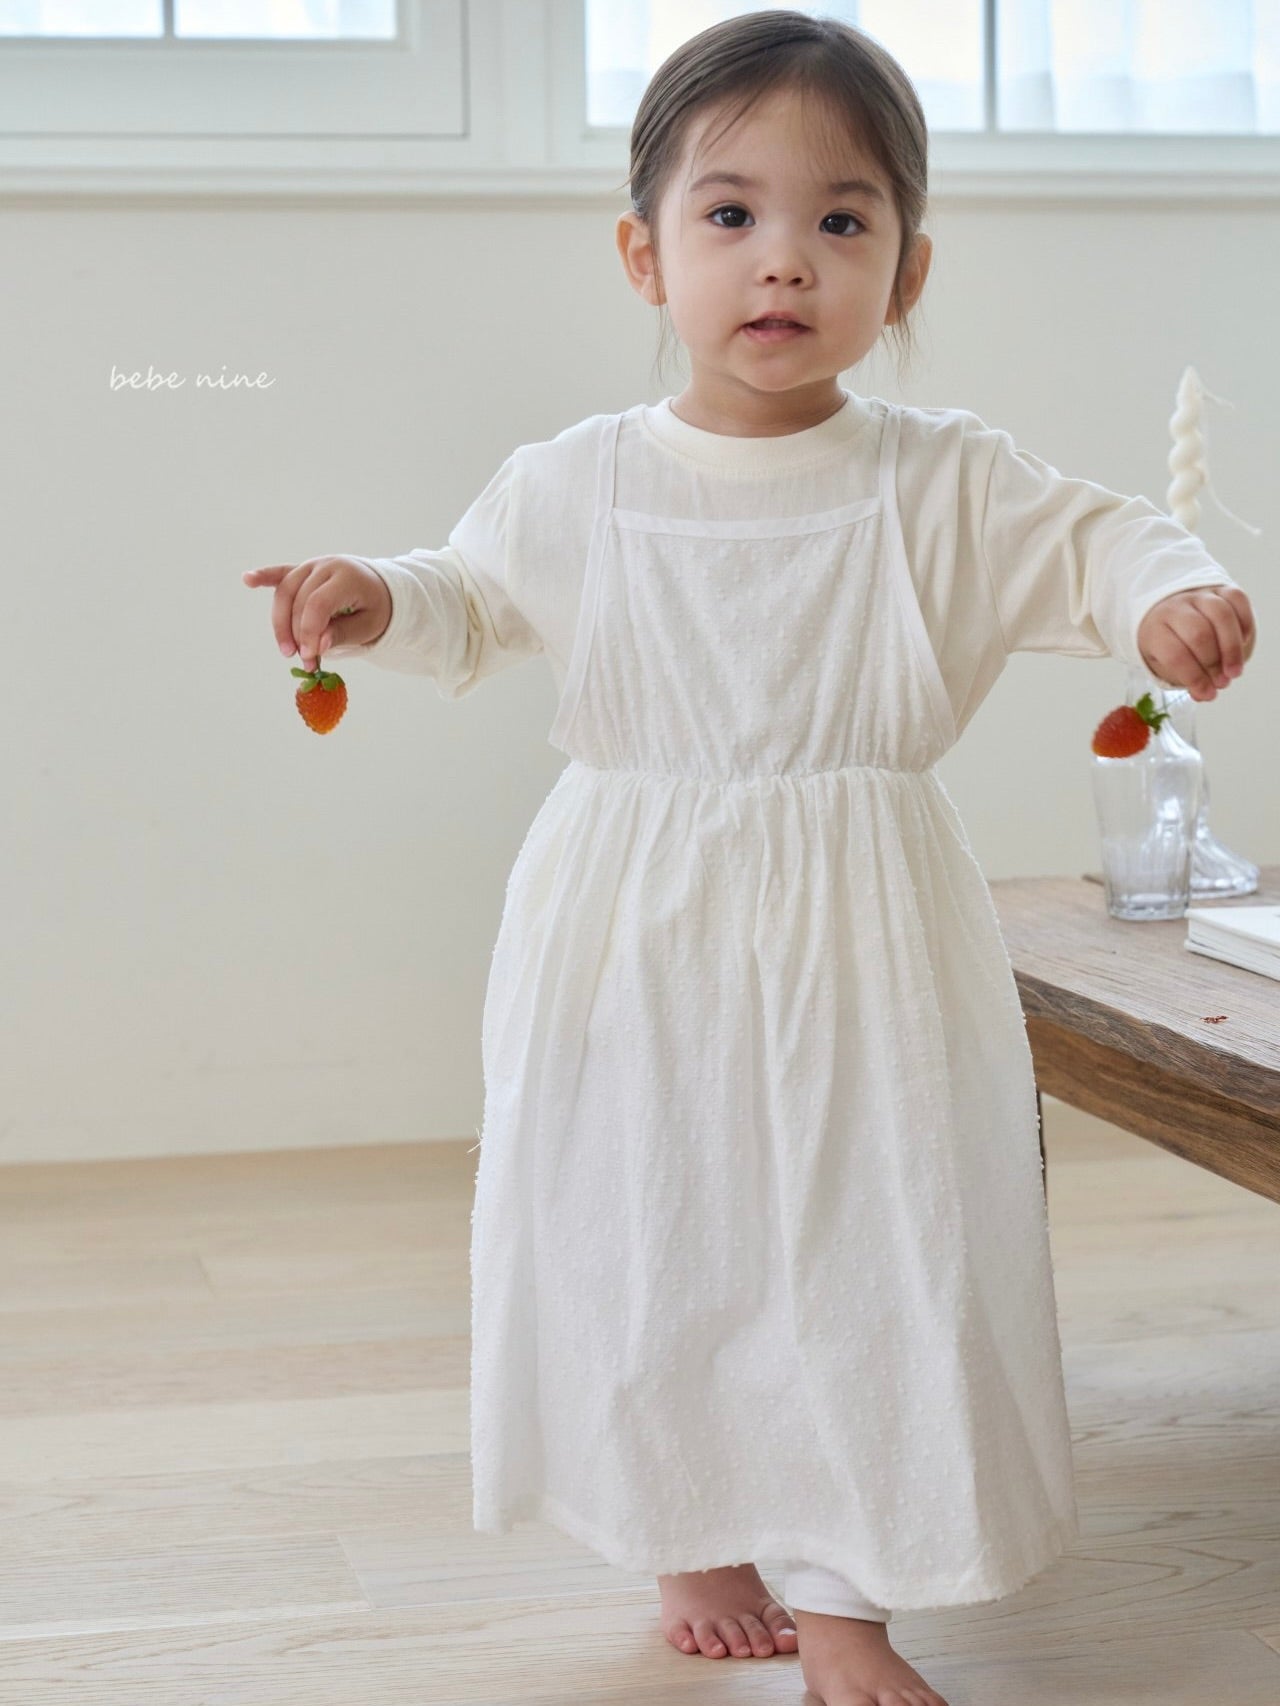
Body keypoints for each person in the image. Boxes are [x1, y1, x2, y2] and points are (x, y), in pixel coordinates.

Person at [244, 13, 1257, 1704]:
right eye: (730, 215)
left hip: (867, 925)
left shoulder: (940, 478)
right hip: (631, 924)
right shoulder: (579, 479)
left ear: (907, 269)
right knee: (653, 1223)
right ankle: (686, 1515)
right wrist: (373, 599)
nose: (784, 257)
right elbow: (470, 598)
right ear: (646, 255)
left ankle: (851, 1591)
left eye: (840, 219)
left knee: (877, 1232)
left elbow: (1103, 536)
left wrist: (1167, 596)